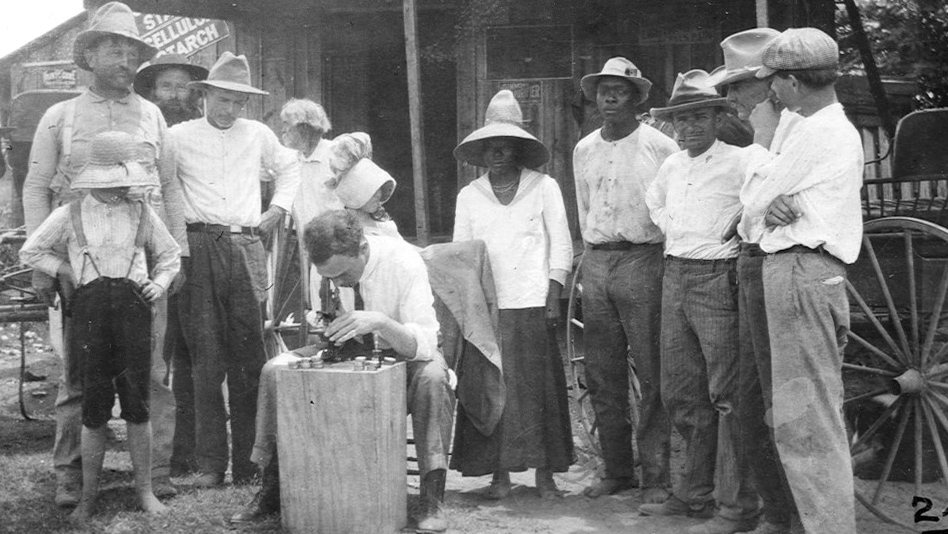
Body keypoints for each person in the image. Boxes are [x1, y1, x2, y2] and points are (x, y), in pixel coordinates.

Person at [22, 1, 188, 505]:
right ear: (89, 56)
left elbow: (169, 186)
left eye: (130, 50)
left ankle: (154, 472)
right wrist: (49, 270)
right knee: (77, 377)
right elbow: (35, 187)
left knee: (153, 374)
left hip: (141, 266)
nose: (123, 59)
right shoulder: (61, 116)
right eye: (112, 48)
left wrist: (176, 258)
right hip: (81, 267)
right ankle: (70, 473)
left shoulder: (153, 114)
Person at [230, 210, 454, 534]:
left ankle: (433, 498)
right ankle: (272, 487)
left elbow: (425, 343)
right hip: (352, 350)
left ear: (362, 249)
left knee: (434, 380)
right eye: (329, 277)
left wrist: (380, 322)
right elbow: (320, 315)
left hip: (408, 356)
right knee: (273, 372)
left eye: (342, 274)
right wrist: (323, 322)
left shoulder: (404, 262)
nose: (335, 282)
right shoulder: (324, 267)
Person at [20, 131, 181, 522]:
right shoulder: (70, 214)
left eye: (124, 183)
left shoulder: (142, 212)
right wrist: (66, 269)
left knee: (137, 404)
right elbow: (31, 250)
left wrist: (157, 284)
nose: (119, 190)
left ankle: (144, 490)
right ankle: (88, 497)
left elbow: (171, 255)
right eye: (112, 183)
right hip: (90, 313)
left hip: (134, 311)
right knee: (93, 404)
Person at [741, 28, 863, 534]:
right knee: (798, 415)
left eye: (775, 81)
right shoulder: (803, 124)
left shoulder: (819, 132)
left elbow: (748, 206)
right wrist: (763, 201)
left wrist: (763, 191)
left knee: (806, 420)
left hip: (800, 269)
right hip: (791, 269)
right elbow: (753, 210)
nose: (770, 92)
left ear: (792, 81)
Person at [168, 51, 300, 488]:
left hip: (246, 244)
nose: (229, 110)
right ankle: (209, 465)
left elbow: (290, 167)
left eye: (237, 102)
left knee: (250, 357)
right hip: (198, 244)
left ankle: (250, 463)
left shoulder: (257, 134)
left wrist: (277, 210)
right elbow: (163, 188)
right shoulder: (178, 137)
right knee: (205, 359)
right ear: (203, 96)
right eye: (222, 99)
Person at [640, 70, 758, 534]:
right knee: (682, 393)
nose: (689, 128)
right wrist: (676, 226)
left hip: (718, 278)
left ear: (716, 118)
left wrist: (734, 227)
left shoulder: (742, 160)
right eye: (681, 120)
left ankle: (736, 507)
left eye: (699, 118)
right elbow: (655, 205)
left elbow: (771, 193)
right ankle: (694, 494)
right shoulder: (671, 166)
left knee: (727, 395)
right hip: (676, 275)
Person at [450, 90, 574, 499]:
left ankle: (545, 474)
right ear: (482, 150)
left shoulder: (544, 187)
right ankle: (498, 474)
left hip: (532, 303)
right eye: (491, 146)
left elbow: (561, 243)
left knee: (539, 389)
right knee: (492, 387)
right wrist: (469, 308)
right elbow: (460, 254)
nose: (498, 152)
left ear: (520, 148)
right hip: (489, 307)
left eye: (507, 145)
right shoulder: (469, 195)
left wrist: (553, 292)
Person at [707, 27, 804, 534]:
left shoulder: (793, 127)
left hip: (779, 268)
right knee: (749, 399)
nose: (729, 100)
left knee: (780, 399)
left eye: (735, 87)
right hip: (749, 263)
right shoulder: (754, 134)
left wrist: (770, 208)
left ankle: (790, 514)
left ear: (766, 82)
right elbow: (757, 200)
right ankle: (774, 511)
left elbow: (798, 200)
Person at [572, 57, 678, 502]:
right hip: (598, 262)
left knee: (652, 370)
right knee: (601, 370)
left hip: (644, 260)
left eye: (619, 90)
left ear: (636, 98)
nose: (610, 97)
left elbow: (675, 209)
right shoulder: (584, 149)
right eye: (603, 90)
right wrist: (589, 258)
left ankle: (656, 477)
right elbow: (584, 207)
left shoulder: (659, 146)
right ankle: (617, 470)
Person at [133, 52, 208, 479]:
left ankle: (187, 451)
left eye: (183, 87)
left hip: (192, 248)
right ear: (153, 91)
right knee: (154, 356)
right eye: (167, 86)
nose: (175, 95)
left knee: (194, 355)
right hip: (145, 253)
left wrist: (182, 252)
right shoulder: (146, 129)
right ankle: (154, 454)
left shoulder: (202, 134)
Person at [279, 98, 343, 324]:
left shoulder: (336, 153)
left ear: (305, 127)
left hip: (335, 242)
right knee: (303, 305)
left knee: (336, 302)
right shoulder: (288, 159)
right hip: (300, 243)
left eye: (288, 124)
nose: (283, 130)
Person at [329, 132, 402, 239]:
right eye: (371, 191)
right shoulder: (344, 229)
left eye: (379, 188)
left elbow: (402, 248)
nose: (379, 195)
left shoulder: (383, 224)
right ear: (355, 193)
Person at [134, 54, 207, 127]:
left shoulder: (204, 128)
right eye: (166, 87)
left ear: (192, 92)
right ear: (154, 90)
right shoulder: (138, 126)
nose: (173, 95)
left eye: (181, 87)